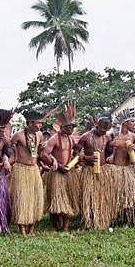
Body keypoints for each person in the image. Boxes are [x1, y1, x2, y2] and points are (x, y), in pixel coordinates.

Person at [9, 108, 56, 236]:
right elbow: (8, 151)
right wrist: (7, 162)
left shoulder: (39, 135)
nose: (40, 125)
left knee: (34, 197)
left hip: (34, 170)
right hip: (21, 169)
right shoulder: (17, 135)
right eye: (38, 123)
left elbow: (40, 152)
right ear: (30, 123)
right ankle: (22, 228)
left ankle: (32, 228)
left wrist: (50, 161)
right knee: (22, 198)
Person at [40, 99, 80, 232]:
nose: (72, 129)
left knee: (68, 199)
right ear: (63, 127)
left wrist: (76, 160)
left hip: (69, 173)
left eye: (73, 127)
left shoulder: (71, 139)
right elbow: (44, 154)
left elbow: (76, 152)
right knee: (55, 200)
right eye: (70, 127)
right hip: (56, 173)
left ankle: (66, 227)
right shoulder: (53, 139)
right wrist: (56, 164)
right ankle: (53, 226)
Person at [74, 116, 116, 230]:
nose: (103, 133)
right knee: (90, 196)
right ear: (96, 126)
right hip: (89, 171)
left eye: (105, 131)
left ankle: (103, 219)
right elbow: (76, 154)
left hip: (103, 170)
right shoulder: (85, 137)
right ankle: (90, 220)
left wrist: (112, 155)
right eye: (101, 130)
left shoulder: (107, 137)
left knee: (103, 196)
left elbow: (109, 152)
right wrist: (86, 158)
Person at [107, 107, 135, 227]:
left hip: (128, 169)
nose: (134, 124)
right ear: (125, 123)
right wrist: (111, 146)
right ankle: (113, 218)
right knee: (114, 195)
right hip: (115, 169)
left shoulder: (134, 137)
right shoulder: (113, 135)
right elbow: (106, 150)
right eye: (132, 121)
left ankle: (129, 219)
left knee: (130, 195)